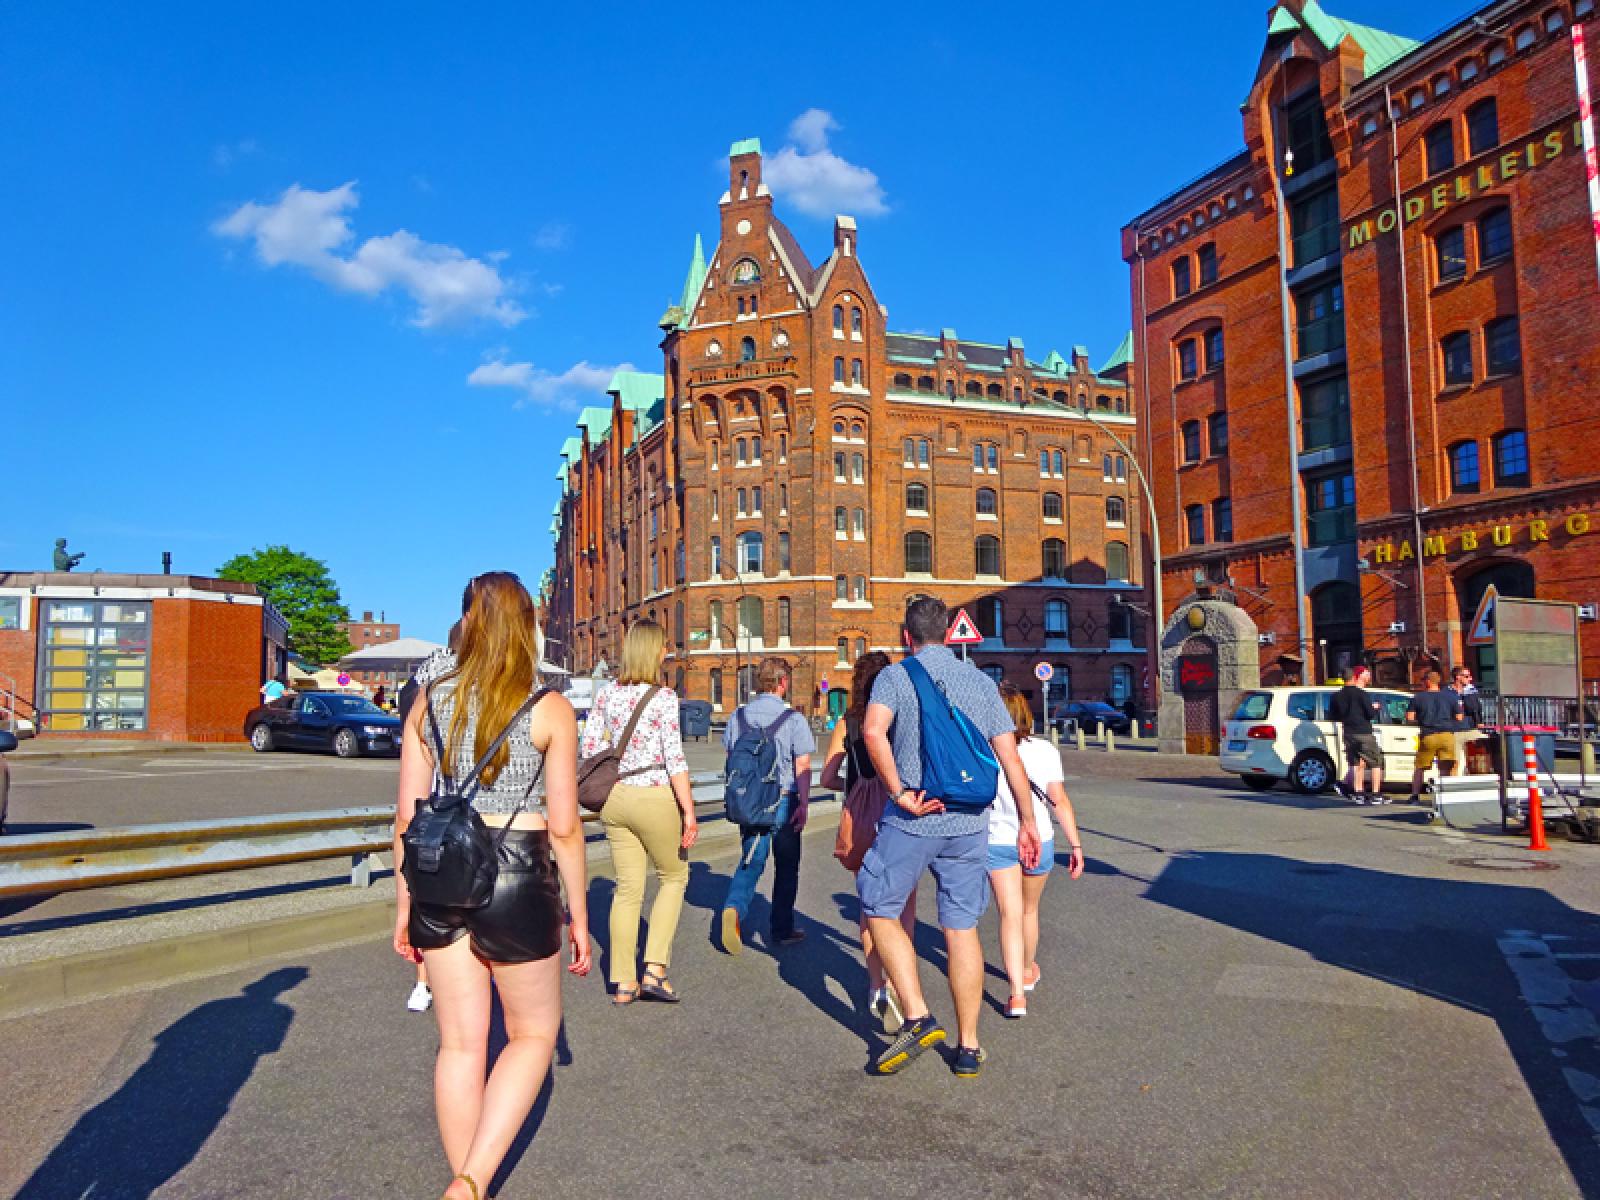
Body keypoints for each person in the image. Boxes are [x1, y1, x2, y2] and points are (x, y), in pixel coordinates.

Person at [392, 572, 590, 1200]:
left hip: (440, 874)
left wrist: (402, 908)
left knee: (459, 1044)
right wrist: (579, 916)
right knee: (531, 1035)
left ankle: (466, 1183)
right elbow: (564, 827)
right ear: (528, 624)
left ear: (468, 621)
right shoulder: (549, 706)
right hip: (517, 871)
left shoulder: (429, 701)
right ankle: (473, 1182)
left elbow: (405, 816)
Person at [860, 596, 1043, 1079]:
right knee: (961, 929)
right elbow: (1011, 760)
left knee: (878, 904)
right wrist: (1027, 821)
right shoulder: (981, 683)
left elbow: (873, 732)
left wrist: (898, 791)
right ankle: (969, 1047)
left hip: (914, 817)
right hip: (970, 823)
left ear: (907, 636)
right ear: (946, 633)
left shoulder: (895, 677)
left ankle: (917, 1015)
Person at [583, 619, 699, 1004]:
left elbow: (589, 749)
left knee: (628, 888)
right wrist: (689, 811)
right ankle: (654, 970)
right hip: (653, 794)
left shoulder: (605, 696)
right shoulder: (663, 698)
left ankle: (623, 982)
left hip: (615, 798)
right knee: (674, 876)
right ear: (654, 652)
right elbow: (675, 759)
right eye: (663, 646)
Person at [820, 651, 916, 1031]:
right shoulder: (899, 718)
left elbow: (827, 778)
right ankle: (897, 980)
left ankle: (876, 985)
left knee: (870, 905)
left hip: (861, 816)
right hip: (897, 811)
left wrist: (856, 786)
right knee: (903, 907)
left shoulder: (849, 721)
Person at [987, 683, 1084, 1018]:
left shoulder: (983, 750)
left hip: (997, 840)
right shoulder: (1044, 751)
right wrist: (1075, 844)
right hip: (1038, 839)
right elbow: (1060, 801)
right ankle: (1027, 971)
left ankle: (1016, 995)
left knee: (1008, 915)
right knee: (1029, 911)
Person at [718, 657, 815, 953]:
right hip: (783, 801)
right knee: (786, 868)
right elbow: (803, 764)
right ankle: (782, 928)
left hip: (751, 802)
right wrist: (804, 804)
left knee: (751, 862)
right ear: (783, 682)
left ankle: (733, 908)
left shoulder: (738, 717)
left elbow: (731, 755)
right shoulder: (793, 720)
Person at [1405, 669, 1463, 808]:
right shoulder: (1451, 697)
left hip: (1428, 735)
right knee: (1445, 767)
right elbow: (1459, 717)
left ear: (1427, 682)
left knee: (1420, 767)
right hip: (1447, 735)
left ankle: (1415, 796)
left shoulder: (1418, 698)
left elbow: (1410, 717)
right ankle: (1445, 797)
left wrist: (1422, 719)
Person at [1329, 664, 1386, 805]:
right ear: (1354, 677)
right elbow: (1370, 714)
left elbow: (1333, 715)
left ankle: (1358, 792)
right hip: (1364, 731)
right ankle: (1376, 794)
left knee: (1354, 763)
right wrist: (1375, 708)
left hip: (1348, 731)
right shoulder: (1362, 694)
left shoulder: (1336, 696)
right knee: (1375, 762)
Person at [1447, 665, 1485, 776]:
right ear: (1458, 677)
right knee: (1456, 761)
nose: (1470, 679)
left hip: (1471, 728)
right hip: (1454, 730)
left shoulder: (1471, 691)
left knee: (1480, 756)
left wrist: (1479, 721)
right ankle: (1455, 784)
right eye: (1467, 676)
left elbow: (1475, 708)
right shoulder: (1447, 692)